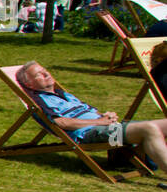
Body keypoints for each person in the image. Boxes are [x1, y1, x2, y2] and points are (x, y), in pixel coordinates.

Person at [16, 61, 167, 169]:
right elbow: (62, 123)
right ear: (29, 84)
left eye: (44, 70)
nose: (46, 74)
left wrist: (106, 116)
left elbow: (90, 112)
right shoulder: (39, 101)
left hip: (106, 128)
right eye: (39, 75)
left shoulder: (64, 94)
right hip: (90, 135)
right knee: (149, 129)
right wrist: (101, 122)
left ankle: (140, 160)